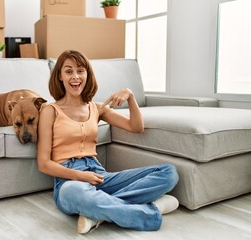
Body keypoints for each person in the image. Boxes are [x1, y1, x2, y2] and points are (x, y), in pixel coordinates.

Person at [37, 50, 179, 234]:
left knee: (168, 173)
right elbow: (44, 163)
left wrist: (130, 95)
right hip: (69, 181)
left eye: (80, 71)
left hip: (99, 175)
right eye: (69, 71)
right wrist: (81, 176)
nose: (75, 77)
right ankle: (151, 211)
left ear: (87, 75)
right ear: (60, 77)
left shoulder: (97, 108)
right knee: (79, 194)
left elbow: (136, 127)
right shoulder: (50, 110)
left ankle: (96, 214)